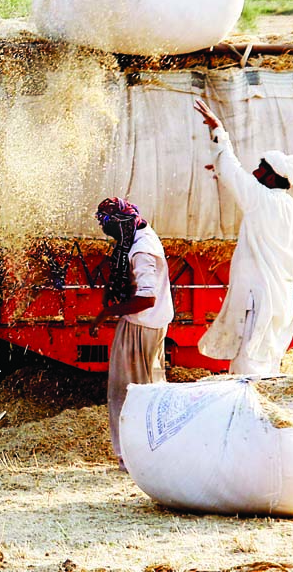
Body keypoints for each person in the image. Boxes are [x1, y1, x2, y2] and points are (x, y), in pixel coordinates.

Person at [194, 100, 293, 375]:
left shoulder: (261, 200)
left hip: (258, 297)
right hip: (276, 295)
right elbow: (237, 178)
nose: (255, 172)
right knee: (264, 357)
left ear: (270, 176)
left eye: (260, 169)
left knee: (248, 365)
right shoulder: (287, 205)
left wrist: (219, 132)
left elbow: (233, 172)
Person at [88, 198, 173, 471]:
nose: (106, 232)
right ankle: (154, 450)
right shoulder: (144, 234)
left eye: (108, 225)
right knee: (151, 388)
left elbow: (146, 298)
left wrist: (107, 313)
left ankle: (132, 457)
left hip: (140, 326)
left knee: (126, 393)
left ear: (121, 224)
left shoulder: (141, 251)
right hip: (150, 324)